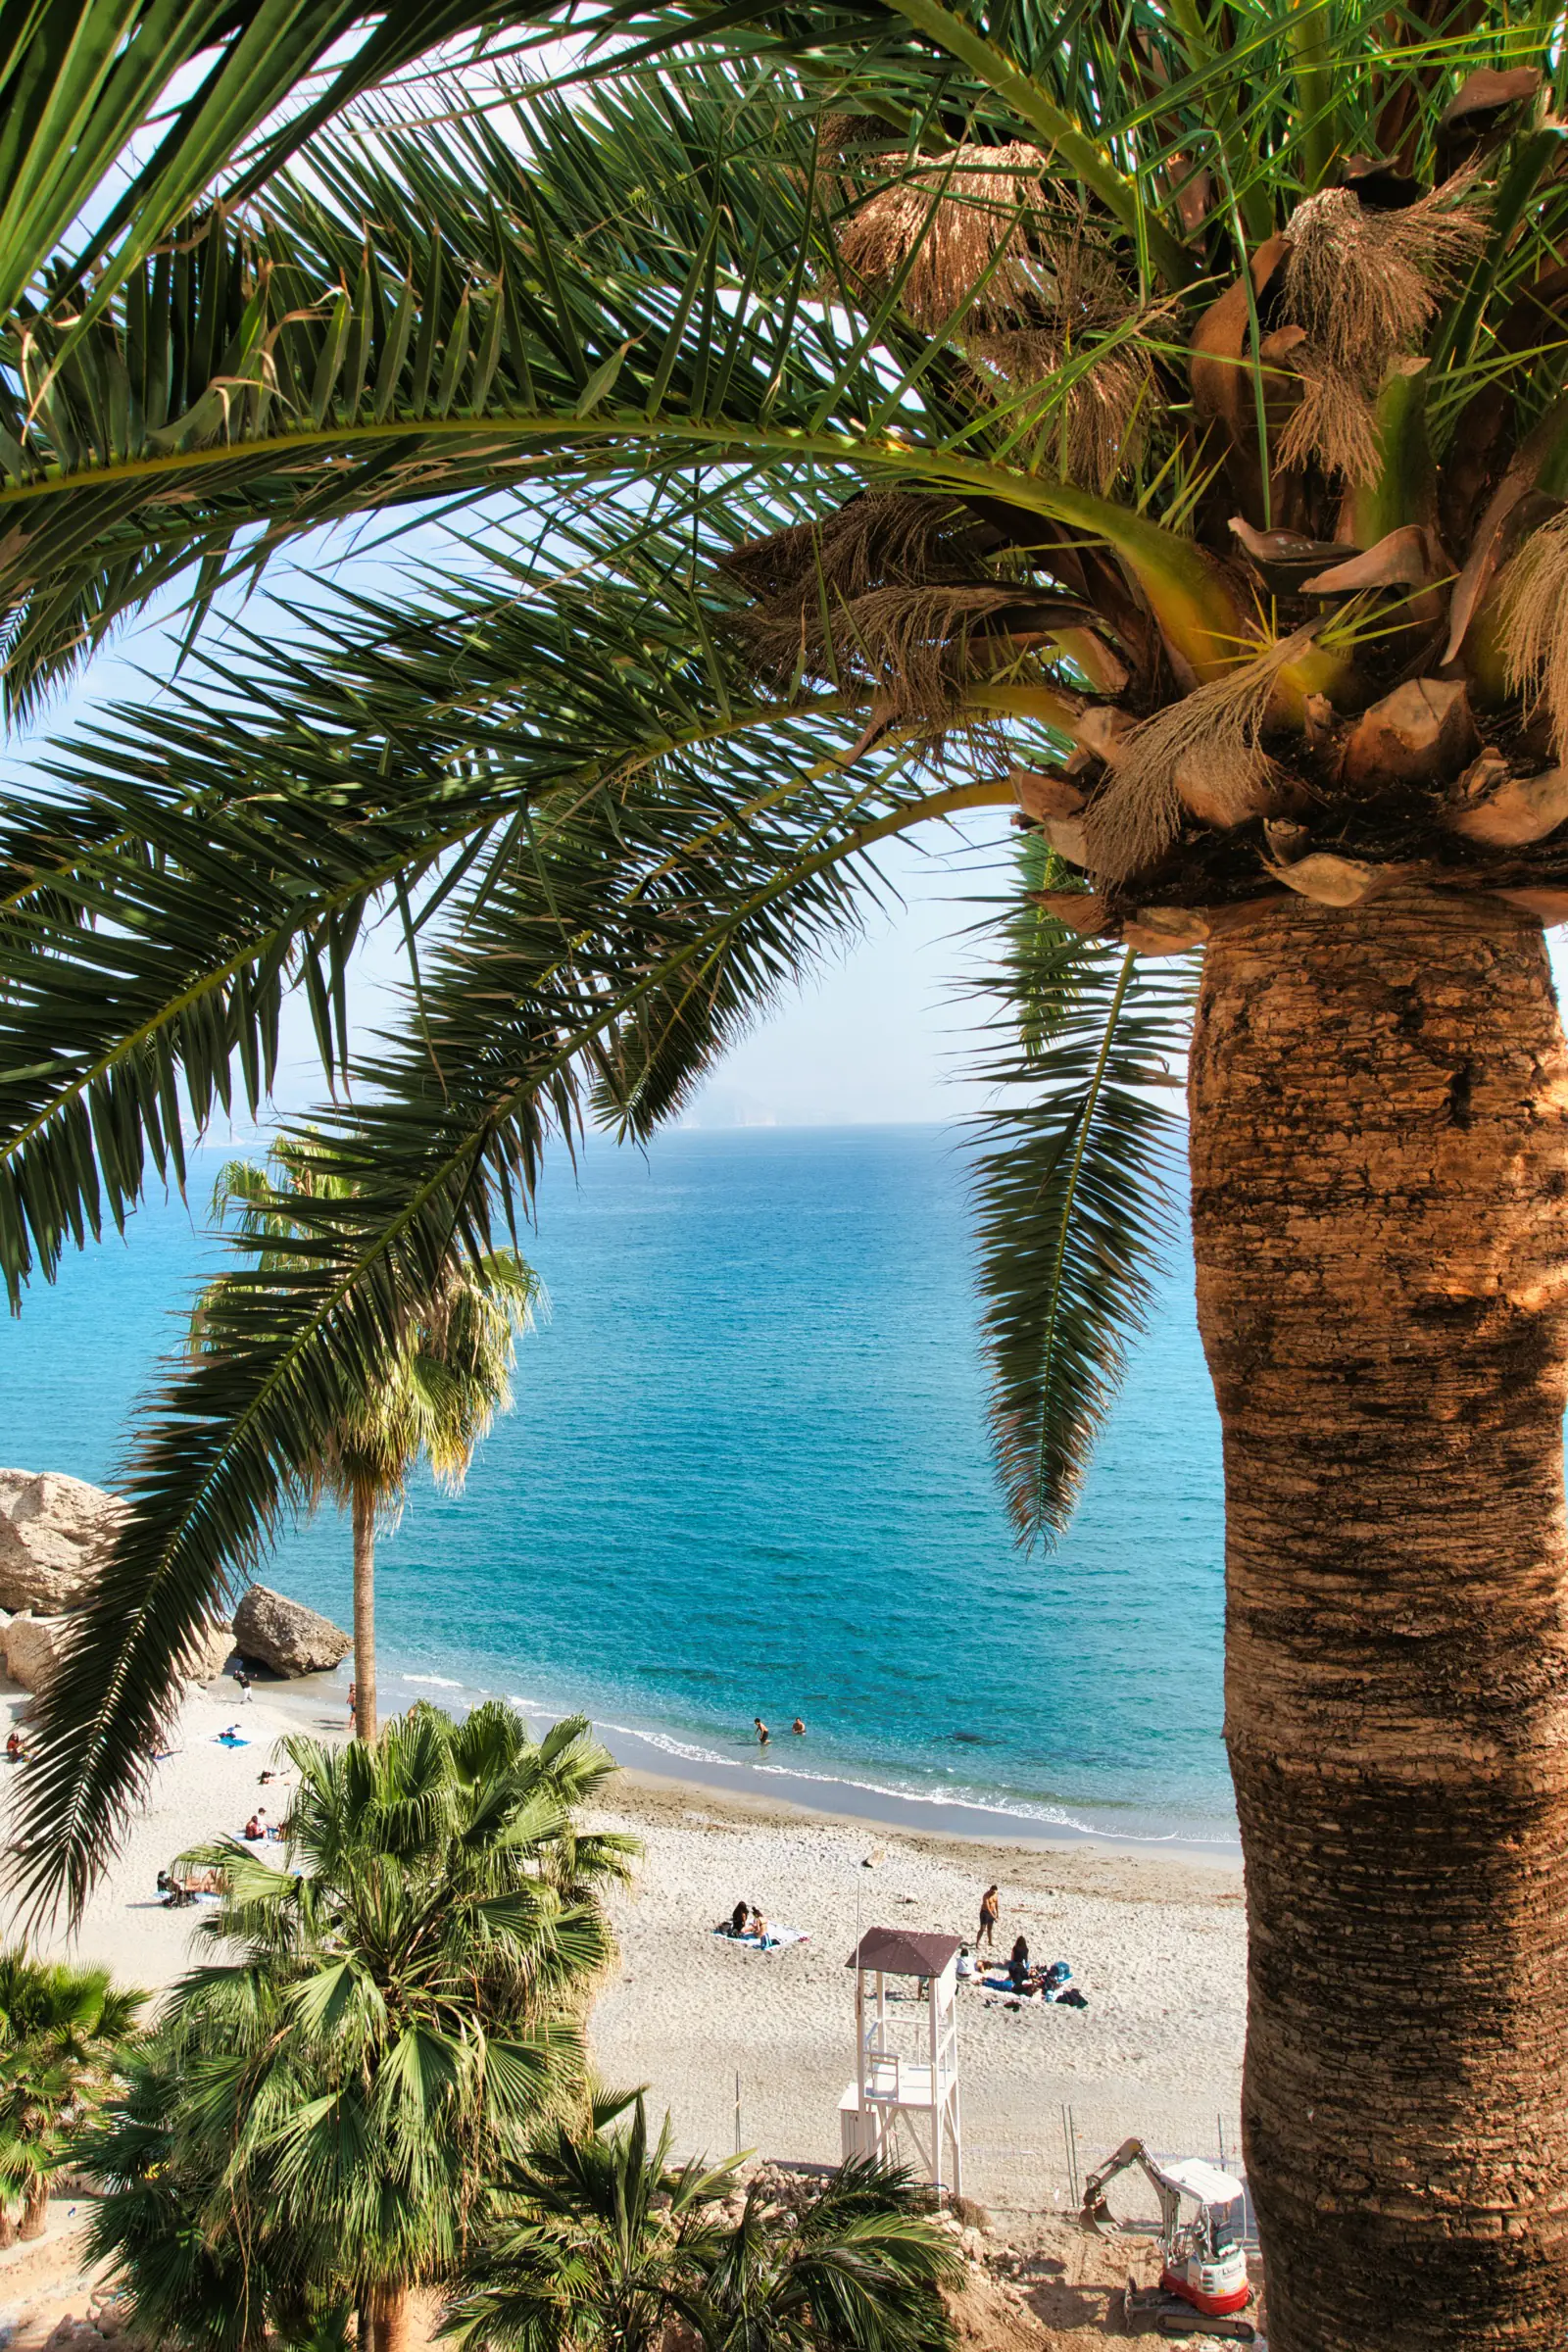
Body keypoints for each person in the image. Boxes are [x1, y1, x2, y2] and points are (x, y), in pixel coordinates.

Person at [978, 1885, 1000, 1951]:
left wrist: (997, 1913)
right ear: (990, 1890)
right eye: (992, 1892)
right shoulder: (986, 1896)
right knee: (982, 1929)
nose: (993, 1893)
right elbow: (987, 1908)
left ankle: (990, 1942)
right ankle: (977, 1943)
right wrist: (994, 1917)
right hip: (985, 1913)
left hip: (992, 1912)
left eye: (994, 1892)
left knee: (990, 1928)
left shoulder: (995, 1894)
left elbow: (996, 1903)